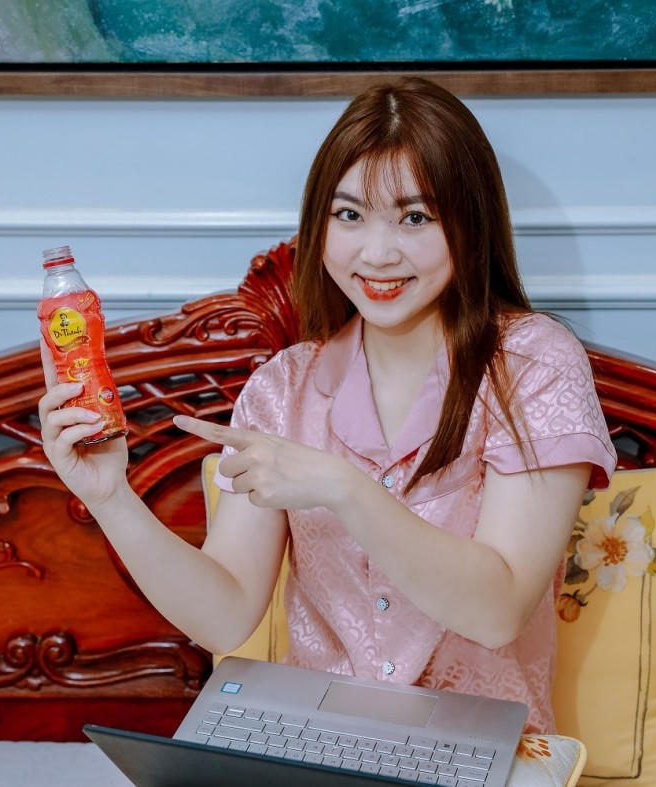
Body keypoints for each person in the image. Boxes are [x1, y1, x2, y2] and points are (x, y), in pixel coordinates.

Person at [38, 76, 617, 734]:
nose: (377, 253)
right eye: (349, 215)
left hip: (482, 750)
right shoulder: (281, 389)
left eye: (416, 217)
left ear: (470, 223)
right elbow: (225, 616)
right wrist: (111, 496)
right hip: (320, 746)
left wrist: (346, 488)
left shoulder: (534, 365)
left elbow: (499, 609)